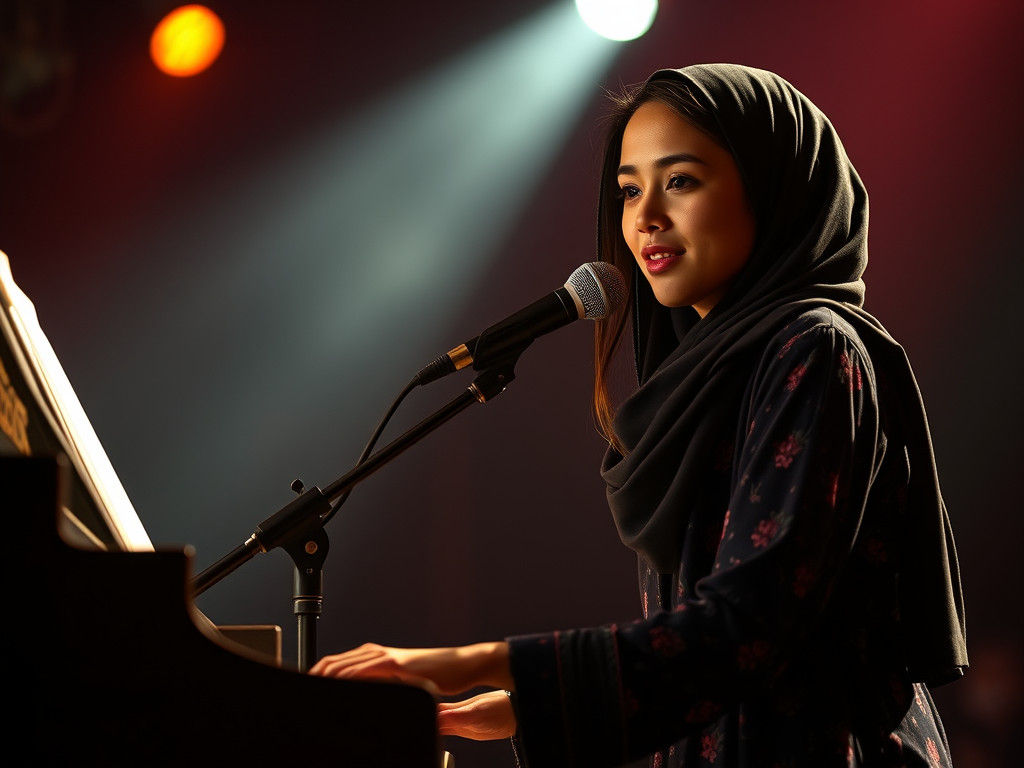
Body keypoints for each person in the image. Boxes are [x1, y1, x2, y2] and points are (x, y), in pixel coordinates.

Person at [310, 63, 968, 768]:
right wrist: (528, 707)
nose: (645, 216)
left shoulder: (814, 350)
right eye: (629, 190)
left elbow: (748, 623)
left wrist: (468, 662)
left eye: (680, 181)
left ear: (772, 189)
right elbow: (711, 646)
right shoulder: (718, 372)